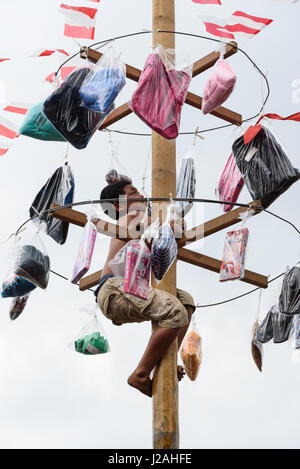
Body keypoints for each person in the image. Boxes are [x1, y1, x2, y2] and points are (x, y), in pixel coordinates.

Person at [95, 180, 195, 397]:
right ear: (119, 205)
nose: (141, 195)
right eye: (133, 192)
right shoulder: (132, 217)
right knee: (175, 311)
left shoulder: (142, 228)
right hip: (114, 289)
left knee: (184, 301)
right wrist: (176, 220)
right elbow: (172, 228)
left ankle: (165, 362)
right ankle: (140, 373)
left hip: (129, 288)